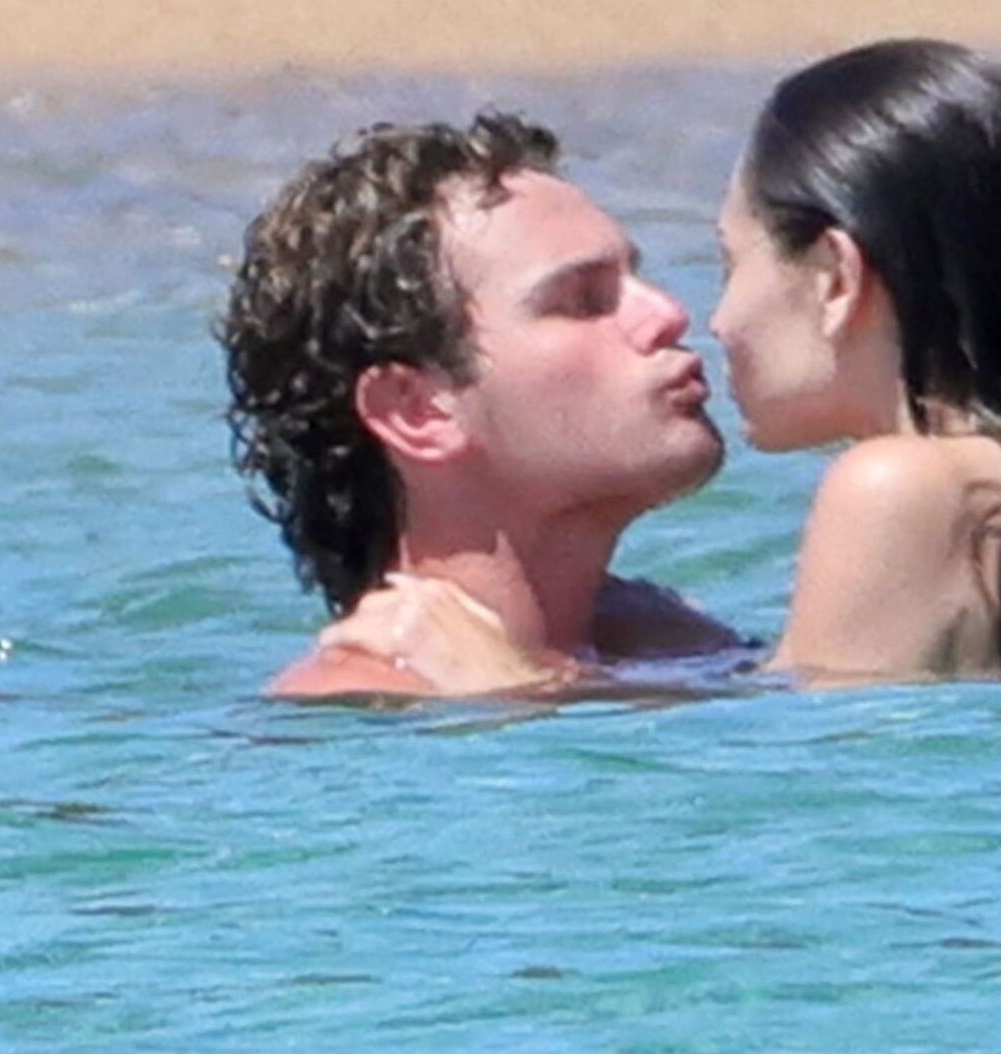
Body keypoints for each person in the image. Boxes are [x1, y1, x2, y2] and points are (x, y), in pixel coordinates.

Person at [321, 40, 1001, 688]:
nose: (708, 317)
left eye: (733, 264)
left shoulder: (893, 485)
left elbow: (794, 785)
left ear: (835, 277)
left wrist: (512, 685)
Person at [219, 113, 736, 700]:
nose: (669, 314)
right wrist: (507, 701)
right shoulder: (357, 706)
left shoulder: (669, 648)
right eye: (582, 301)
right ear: (418, 410)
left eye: (635, 278)